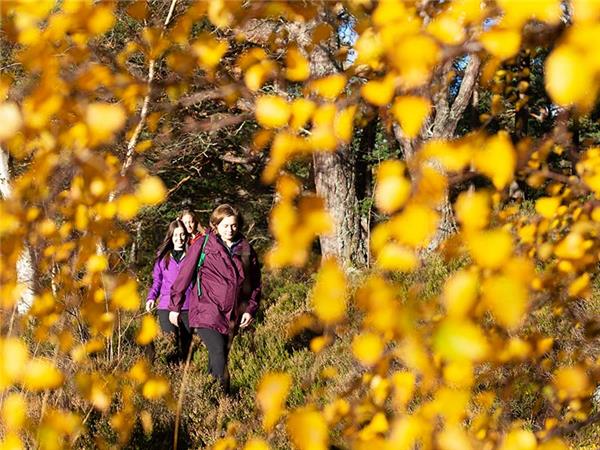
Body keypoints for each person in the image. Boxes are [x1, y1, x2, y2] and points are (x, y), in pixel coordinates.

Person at [169, 204, 261, 392]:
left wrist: (250, 309)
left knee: (219, 358)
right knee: (218, 351)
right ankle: (224, 399)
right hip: (206, 310)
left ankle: (208, 399)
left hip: (233, 314)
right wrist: (175, 306)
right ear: (216, 225)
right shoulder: (203, 244)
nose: (230, 230)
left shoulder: (246, 249)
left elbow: (255, 283)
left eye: (234, 225)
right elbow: (184, 275)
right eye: (225, 225)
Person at [145, 219, 193, 362]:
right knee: (170, 345)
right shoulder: (162, 257)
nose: (179, 239)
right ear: (171, 237)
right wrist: (151, 297)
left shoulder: (192, 256)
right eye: (176, 235)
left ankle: (186, 378)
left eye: (182, 235)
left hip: (187, 306)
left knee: (186, 347)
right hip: (166, 306)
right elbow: (157, 281)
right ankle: (172, 376)